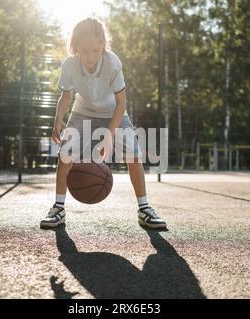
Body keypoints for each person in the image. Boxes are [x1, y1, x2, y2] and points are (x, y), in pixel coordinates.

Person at [40, 18, 167, 229]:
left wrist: (109, 135)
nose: (90, 56)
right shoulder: (70, 65)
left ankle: (144, 209)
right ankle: (58, 208)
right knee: (65, 155)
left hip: (114, 111)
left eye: (96, 50)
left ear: (103, 47)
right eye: (85, 50)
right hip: (83, 111)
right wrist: (58, 119)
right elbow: (66, 96)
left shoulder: (112, 63)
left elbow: (121, 103)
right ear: (76, 47)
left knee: (134, 156)